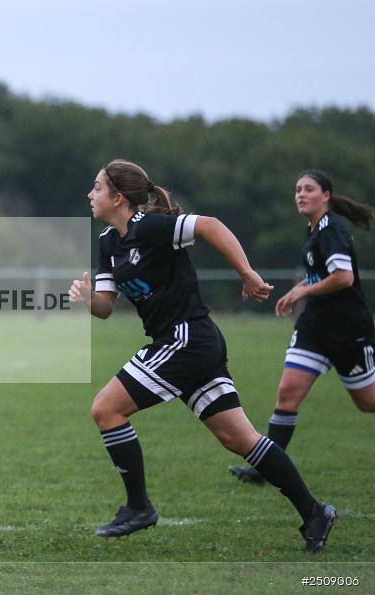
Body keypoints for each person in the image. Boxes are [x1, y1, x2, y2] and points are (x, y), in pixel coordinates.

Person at [69, 159, 336, 552]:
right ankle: (315, 512)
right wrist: (88, 299)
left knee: (106, 408)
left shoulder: (152, 227)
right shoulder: (109, 242)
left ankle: (139, 507)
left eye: (96, 188)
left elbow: (209, 225)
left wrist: (246, 272)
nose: (90, 195)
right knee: (238, 438)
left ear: (118, 197)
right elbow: (106, 307)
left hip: (186, 339)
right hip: (189, 342)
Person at [229, 169, 374, 485]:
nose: (301, 194)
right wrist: (299, 288)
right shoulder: (313, 230)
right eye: (297, 189)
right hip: (315, 328)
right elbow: (320, 276)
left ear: (326, 196)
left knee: (368, 403)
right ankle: (267, 469)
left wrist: (301, 291)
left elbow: (344, 278)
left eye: (309, 189)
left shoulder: (331, 230)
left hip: (348, 330)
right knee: (287, 394)